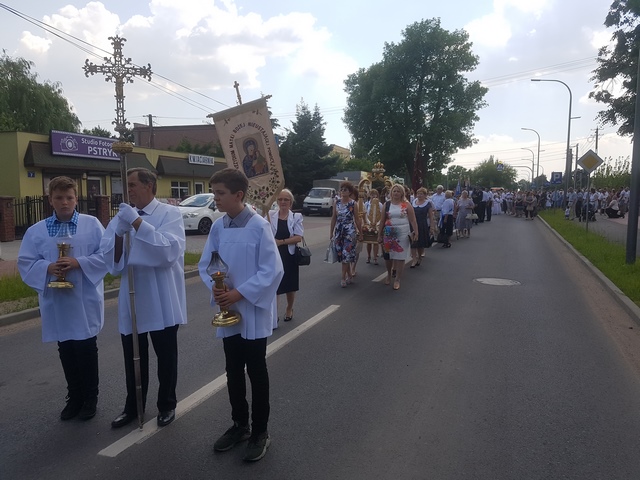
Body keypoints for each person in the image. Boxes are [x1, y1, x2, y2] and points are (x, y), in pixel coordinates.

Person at [198, 168, 283, 462]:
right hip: (229, 310)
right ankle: (239, 425)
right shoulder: (218, 227)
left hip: (252, 309)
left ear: (238, 195)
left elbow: (272, 270)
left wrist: (239, 293)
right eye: (214, 193)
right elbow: (207, 264)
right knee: (232, 370)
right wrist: (217, 288)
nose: (215, 198)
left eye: (220, 193)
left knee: (256, 371)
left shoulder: (259, 226)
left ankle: (260, 431)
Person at [101, 167, 187, 429]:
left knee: (166, 356)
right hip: (133, 296)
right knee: (134, 357)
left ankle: (167, 404)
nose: (128, 190)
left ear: (149, 185)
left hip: (161, 295)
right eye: (126, 185)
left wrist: (138, 224)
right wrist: (119, 233)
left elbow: (169, 251)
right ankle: (133, 405)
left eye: (132, 185)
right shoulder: (122, 216)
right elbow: (110, 258)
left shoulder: (169, 213)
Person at [18, 176, 107, 421]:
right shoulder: (37, 231)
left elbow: (106, 255)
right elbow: (26, 261)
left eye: (69, 197)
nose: (64, 202)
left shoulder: (92, 225)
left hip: (84, 298)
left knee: (85, 347)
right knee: (66, 348)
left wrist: (79, 262)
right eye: (59, 198)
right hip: (57, 299)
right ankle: (74, 396)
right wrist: (48, 268)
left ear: (76, 199)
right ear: (50, 200)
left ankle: (90, 397)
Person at [268, 188, 303, 322]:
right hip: (274, 255)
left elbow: (298, 237)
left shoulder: (296, 217)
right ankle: (274, 314)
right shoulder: (270, 215)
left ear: (291, 202)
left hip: (289, 255)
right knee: (275, 285)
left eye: (286, 200)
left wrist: (281, 242)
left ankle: (289, 308)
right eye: (280, 199)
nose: (283, 202)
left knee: (289, 285)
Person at [378, 184, 419, 290]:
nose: (396, 193)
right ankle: (389, 274)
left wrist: (416, 232)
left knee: (400, 256)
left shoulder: (406, 204)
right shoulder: (387, 204)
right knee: (388, 256)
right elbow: (382, 220)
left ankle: (397, 279)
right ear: (391, 193)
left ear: (402, 193)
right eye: (394, 191)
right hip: (389, 232)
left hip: (403, 233)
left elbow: (413, 219)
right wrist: (379, 234)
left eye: (398, 191)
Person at [330, 181, 363, 287]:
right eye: (342, 189)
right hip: (339, 231)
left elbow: (357, 219)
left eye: (345, 190)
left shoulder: (353, 203)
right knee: (342, 255)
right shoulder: (337, 203)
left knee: (346, 254)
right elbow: (334, 218)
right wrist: (331, 232)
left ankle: (343, 277)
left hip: (349, 231)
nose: (343, 191)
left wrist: (360, 233)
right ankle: (349, 275)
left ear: (350, 192)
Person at [410, 187, 435, 267]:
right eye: (418, 194)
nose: (419, 195)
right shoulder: (413, 202)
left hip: (422, 224)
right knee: (413, 242)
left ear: (425, 195)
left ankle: (420, 256)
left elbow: (431, 216)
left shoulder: (428, 204)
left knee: (420, 243)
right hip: (413, 224)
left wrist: (432, 226)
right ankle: (414, 259)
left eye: (421, 194)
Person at [364, 189, 384, 265]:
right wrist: (369, 223)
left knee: (376, 242)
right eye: (372, 195)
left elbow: (382, 215)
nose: (373, 196)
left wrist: (377, 224)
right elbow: (365, 215)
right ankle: (368, 256)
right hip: (369, 224)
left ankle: (375, 257)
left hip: (377, 224)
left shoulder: (380, 204)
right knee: (368, 242)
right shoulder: (367, 204)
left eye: (375, 195)